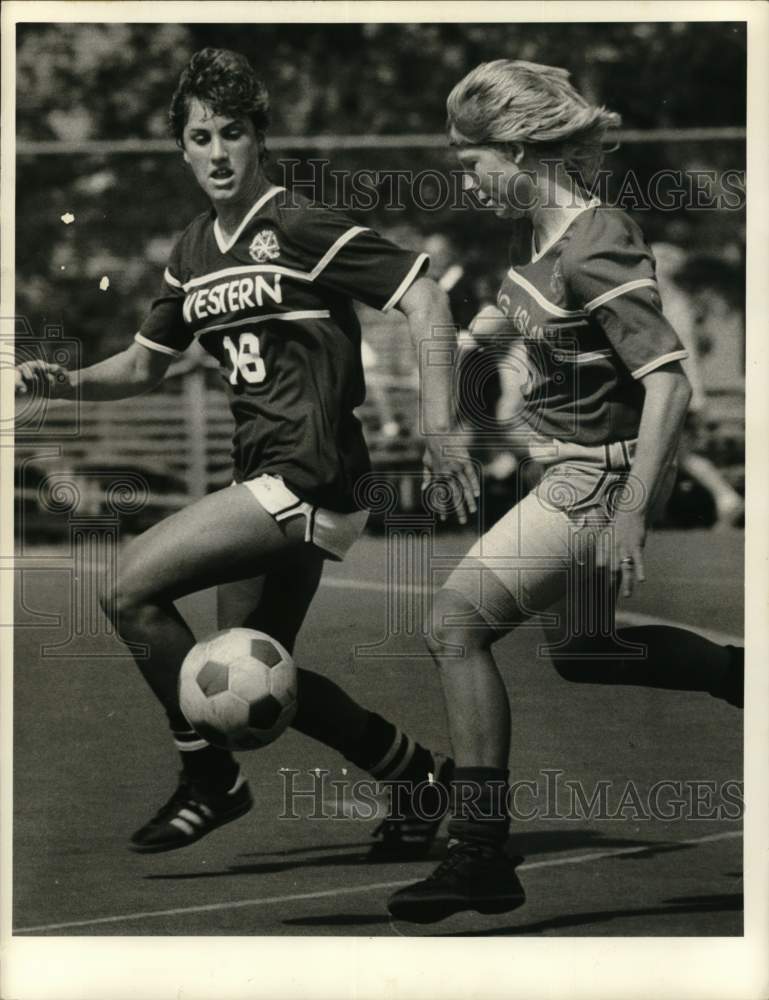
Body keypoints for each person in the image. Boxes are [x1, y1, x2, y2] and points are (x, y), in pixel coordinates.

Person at [15, 48, 478, 857]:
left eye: (234, 132)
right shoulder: (191, 251)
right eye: (201, 136)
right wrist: (60, 383)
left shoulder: (295, 222)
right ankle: (417, 779)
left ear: (258, 138)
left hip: (309, 474)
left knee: (126, 593)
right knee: (251, 668)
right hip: (263, 476)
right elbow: (142, 366)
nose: (219, 150)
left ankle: (210, 778)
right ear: (183, 148)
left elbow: (423, 294)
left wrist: (441, 428)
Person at [388, 59, 743, 924]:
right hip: (574, 471)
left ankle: (479, 855)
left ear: (514, 149)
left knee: (453, 626)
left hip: (599, 479)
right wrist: (433, 336)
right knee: (583, 654)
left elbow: (669, 384)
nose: (465, 180)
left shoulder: (597, 244)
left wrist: (627, 515)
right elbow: (479, 330)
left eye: (471, 162)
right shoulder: (536, 244)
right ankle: (746, 676)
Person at [652, 242, 744, 528]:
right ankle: (723, 498)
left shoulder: (670, 305)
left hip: (679, 390)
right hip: (685, 390)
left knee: (673, 452)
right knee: (674, 452)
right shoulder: (678, 304)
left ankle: (724, 497)